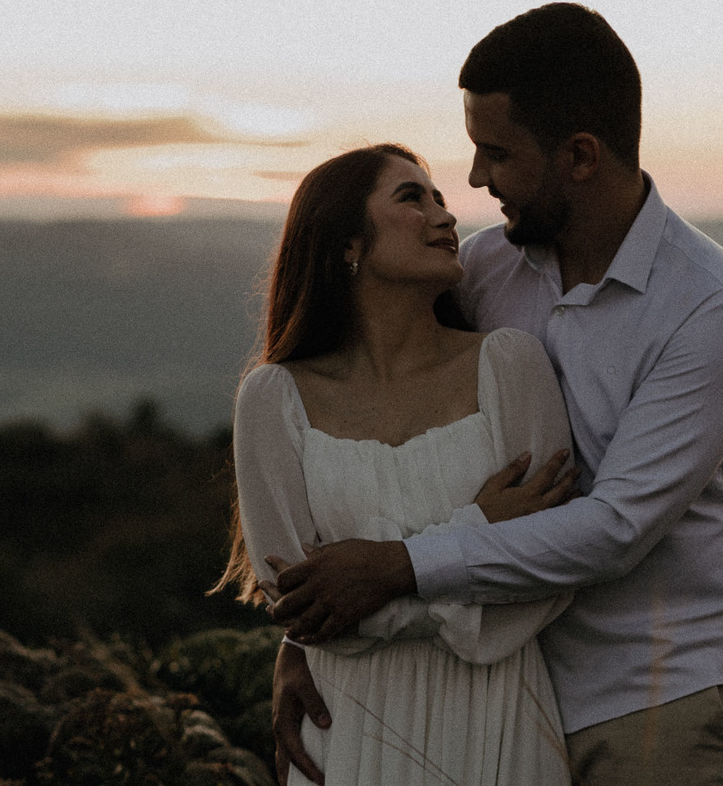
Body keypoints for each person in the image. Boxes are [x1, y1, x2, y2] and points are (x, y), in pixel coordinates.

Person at [267, 3, 723, 786]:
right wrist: (306, 635)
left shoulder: (710, 307)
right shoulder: (484, 272)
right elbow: (390, 440)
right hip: (506, 688)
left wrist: (397, 568)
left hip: (660, 693)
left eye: (496, 154)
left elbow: (614, 529)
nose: (474, 180)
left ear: (580, 156)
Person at [214, 141, 578, 785]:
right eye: (413, 199)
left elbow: (551, 565)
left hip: (498, 718)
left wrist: (375, 580)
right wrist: (476, 533)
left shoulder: (509, 365)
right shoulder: (274, 398)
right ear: (347, 243)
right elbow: (301, 607)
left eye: (440, 198)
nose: (445, 216)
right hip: (346, 729)